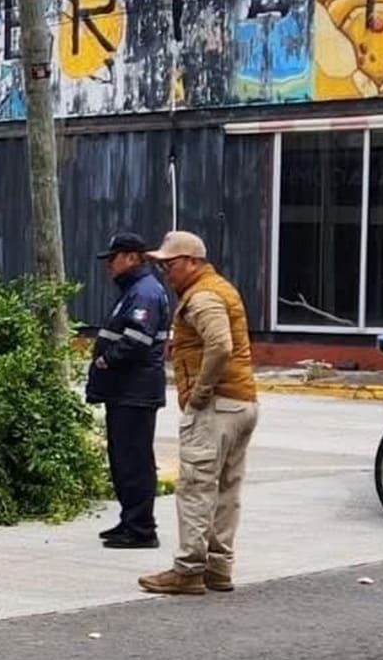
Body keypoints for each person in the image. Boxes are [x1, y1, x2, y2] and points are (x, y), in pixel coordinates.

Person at [139, 231, 259, 596]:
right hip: (242, 402)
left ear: (192, 261)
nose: (165, 273)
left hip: (217, 406)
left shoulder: (203, 295)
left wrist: (199, 394)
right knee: (226, 489)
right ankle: (218, 568)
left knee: (196, 487)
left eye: (170, 265)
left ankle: (189, 569)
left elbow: (220, 345)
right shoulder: (219, 288)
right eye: (161, 267)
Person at [85, 232, 171, 550]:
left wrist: (107, 360)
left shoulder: (145, 292)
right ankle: (129, 520)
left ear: (133, 257)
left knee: (133, 460)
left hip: (134, 391)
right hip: (124, 391)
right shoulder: (134, 290)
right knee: (122, 459)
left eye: (114, 257)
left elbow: (136, 340)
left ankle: (141, 529)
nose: (109, 265)